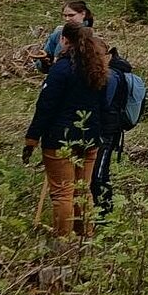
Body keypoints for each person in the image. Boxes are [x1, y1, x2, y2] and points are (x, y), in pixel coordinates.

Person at [24, 21, 109, 239]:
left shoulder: (61, 68)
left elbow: (46, 106)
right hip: (90, 138)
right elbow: (102, 105)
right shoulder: (96, 67)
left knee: (63, 193)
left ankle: (63, 242)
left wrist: (32, 139)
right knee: (82, 191)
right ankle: (85, 237)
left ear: (64, 40)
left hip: (60, 139)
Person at [89, 43, 136, 215]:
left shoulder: (111, 76)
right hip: (109, 128)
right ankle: (102, 212)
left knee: (98, 173)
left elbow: (104, 103)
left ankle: (103, 214)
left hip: (107, 130)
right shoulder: (115, 73)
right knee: (101, 170)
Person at [38, 0, 95, 73]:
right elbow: (42, 64)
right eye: (65, 15)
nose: (67, 19)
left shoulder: (92, 36)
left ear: (83, 14)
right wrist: (44, 62)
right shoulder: (58, 34)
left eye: (71, 15)